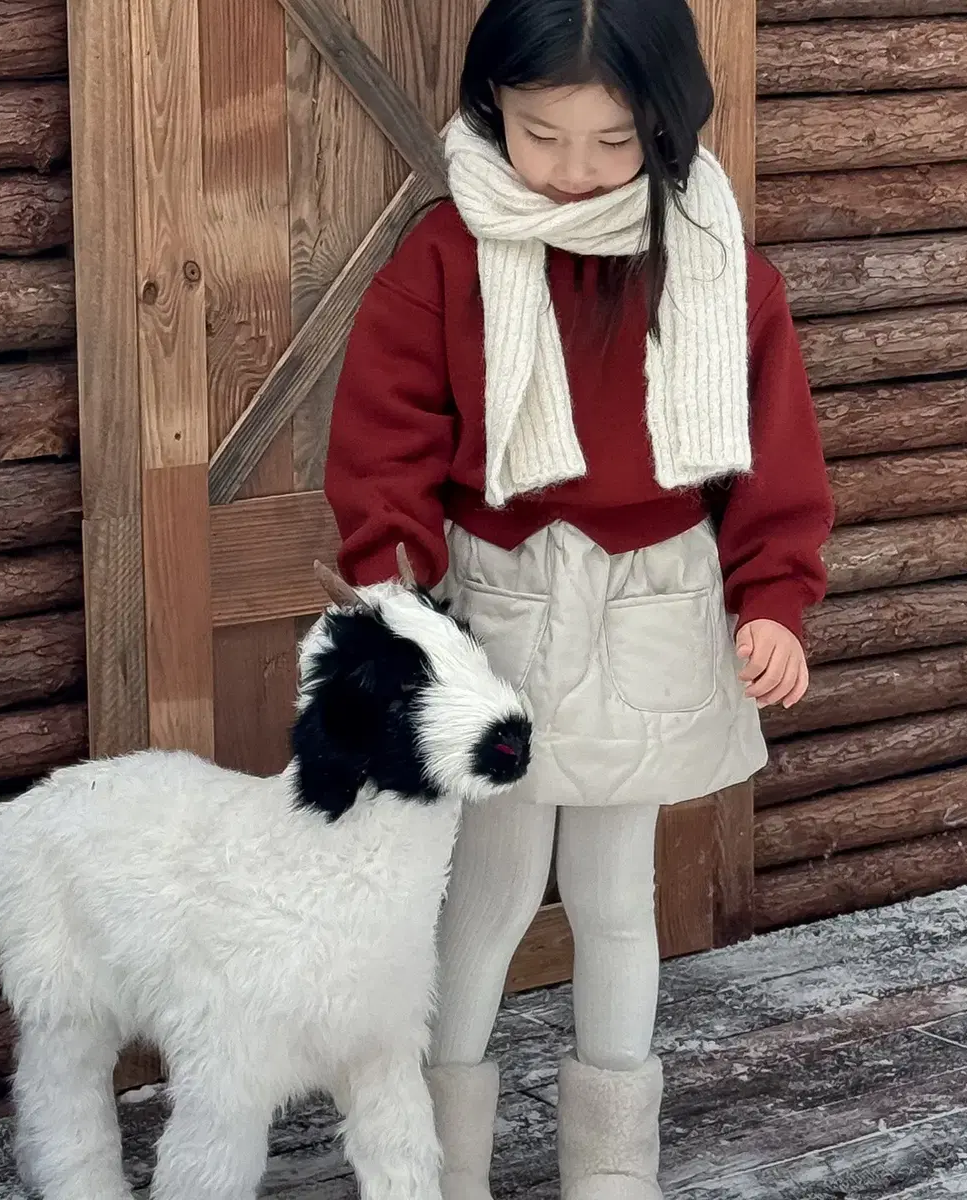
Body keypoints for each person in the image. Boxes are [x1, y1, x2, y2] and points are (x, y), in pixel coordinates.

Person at [323, 0, 834, 1195]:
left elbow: (771, 452)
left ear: (663, 123)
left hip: (658, 603)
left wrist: (773, 599)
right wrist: (390, 582)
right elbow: (385, 434)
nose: (571, 172)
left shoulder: (713, 261)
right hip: (503, 604)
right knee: (489, 895)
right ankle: (436, 1166)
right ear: (493, 103)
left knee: (615, 898)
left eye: (612, 142)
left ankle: (613, 1170)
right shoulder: (448, 252)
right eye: (543, 134)